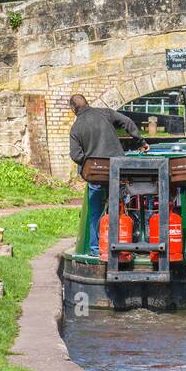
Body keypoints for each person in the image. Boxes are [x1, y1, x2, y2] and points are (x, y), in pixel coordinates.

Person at [68, 94, 147, 254]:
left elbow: (75, 155)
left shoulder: (76, 128)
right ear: (88, 102)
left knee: (95, 211)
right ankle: (126, 245)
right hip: (118, 169)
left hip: (96, 174)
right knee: (123, 207)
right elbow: (128, 122)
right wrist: (140, 142)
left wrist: (89, 164)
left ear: (73, 109)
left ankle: (96, 249)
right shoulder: (105, 113)